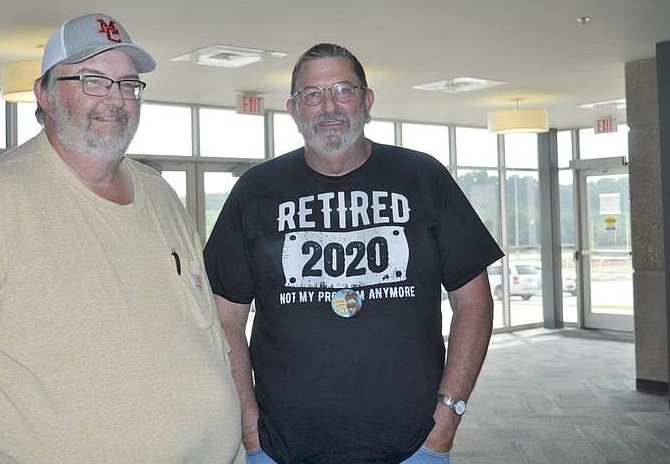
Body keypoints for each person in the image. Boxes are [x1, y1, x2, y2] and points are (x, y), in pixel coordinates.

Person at [0, 13, 243, 462]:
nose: (115, 99)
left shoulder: (161, 193)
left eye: (128, 84)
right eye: (93, 80)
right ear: (45, 95)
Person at [204, 43, 504, 463]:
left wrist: (447, 418)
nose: (329, 106)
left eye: (343, 90)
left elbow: (473, 301)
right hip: (282, 449)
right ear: (294, 110)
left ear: (367, 101)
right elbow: (225, 317)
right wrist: (249, 426)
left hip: (414, 446)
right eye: (312, 95)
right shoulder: (256, 191)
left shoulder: (423, 177)